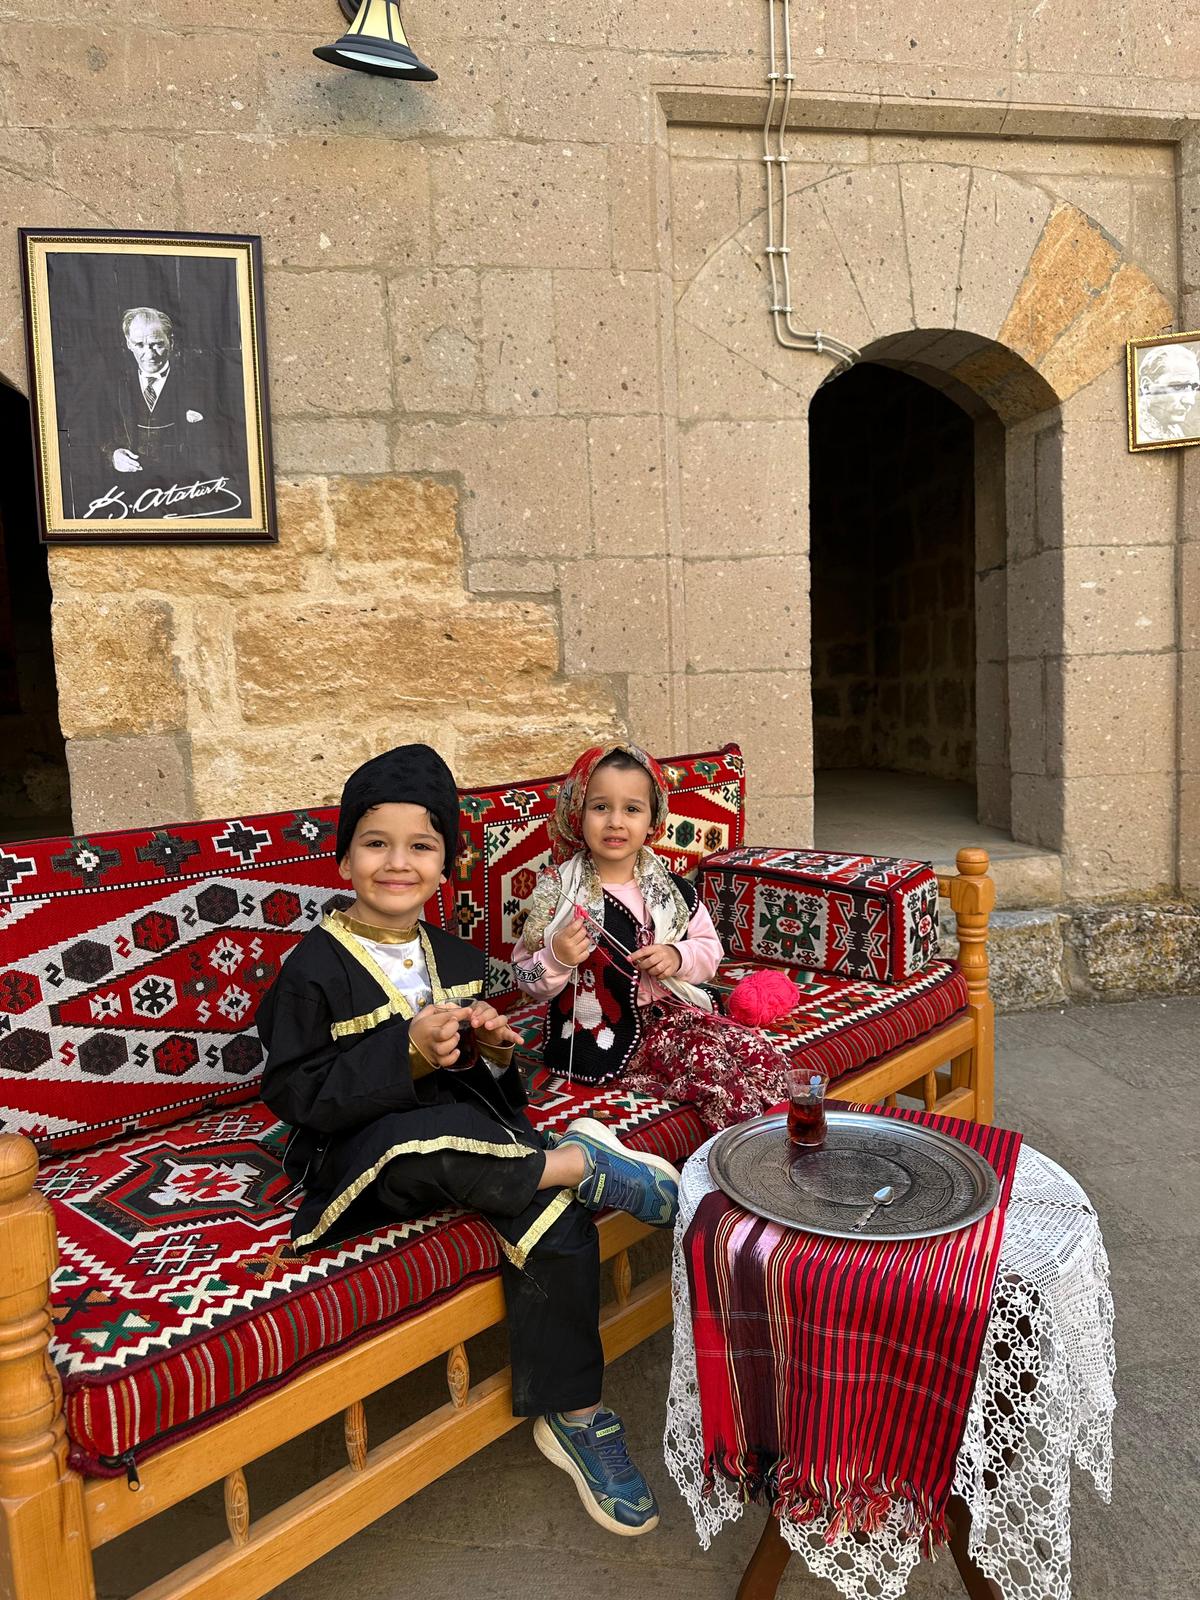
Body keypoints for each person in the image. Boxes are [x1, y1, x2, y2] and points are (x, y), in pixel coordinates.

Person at [256, 743, 680, 1537]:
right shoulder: (312, 970)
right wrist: (408, 1054)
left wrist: (490, 1047)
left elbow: (490, 1079)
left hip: (475, 1140)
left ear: (445, 866)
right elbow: (294, 1093)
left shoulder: (453, 958)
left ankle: (576, 1415)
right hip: (359, 1150)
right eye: (376, 843)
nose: (397, 863)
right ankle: (580, 1161)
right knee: (421, 1140)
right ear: (344, 855)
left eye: (421, 847)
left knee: (554, 1225)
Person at [512, 743, 724, 1086]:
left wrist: (677, 954)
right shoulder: (559, 894)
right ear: (576, 814)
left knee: (746, 1059)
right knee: (711, 1076)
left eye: (632, 809)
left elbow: (710, 951)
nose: (615, 822)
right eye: (600, 807)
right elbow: (525, 974)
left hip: (675, 1017)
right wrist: (557, 958)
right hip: (598, 1035)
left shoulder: (673, 892)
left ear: (652, 820)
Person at [1136, 342, 1200, 443]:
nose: (1190, 401)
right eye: (1178, 386)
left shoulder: (1175, 430)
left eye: (1194, 388)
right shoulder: (1136, 434)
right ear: (1146, 387)